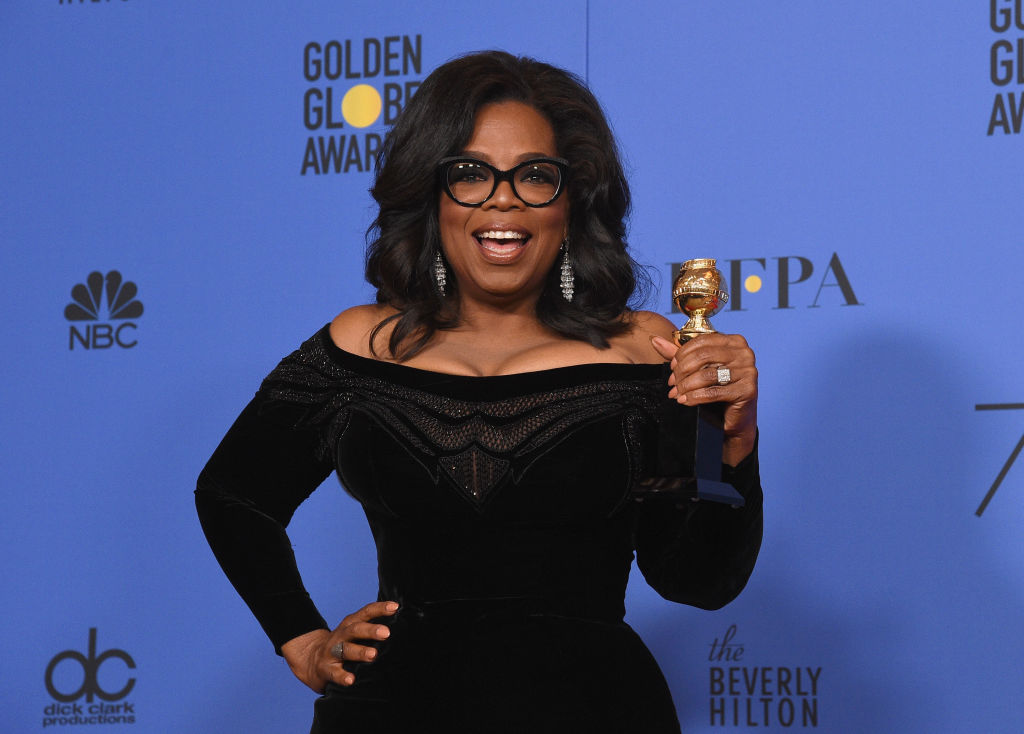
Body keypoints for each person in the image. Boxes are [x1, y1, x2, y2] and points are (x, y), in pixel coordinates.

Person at [196, 50, 762, 733]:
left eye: (535, 175)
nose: (503, 199)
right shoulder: (359, 347)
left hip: (596, 713)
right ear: (431, 197)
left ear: (571, 203)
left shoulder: (646, 350)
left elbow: (698, 580)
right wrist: (302, 638)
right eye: (469, 174)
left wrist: (732, 442)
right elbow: (234, 494)